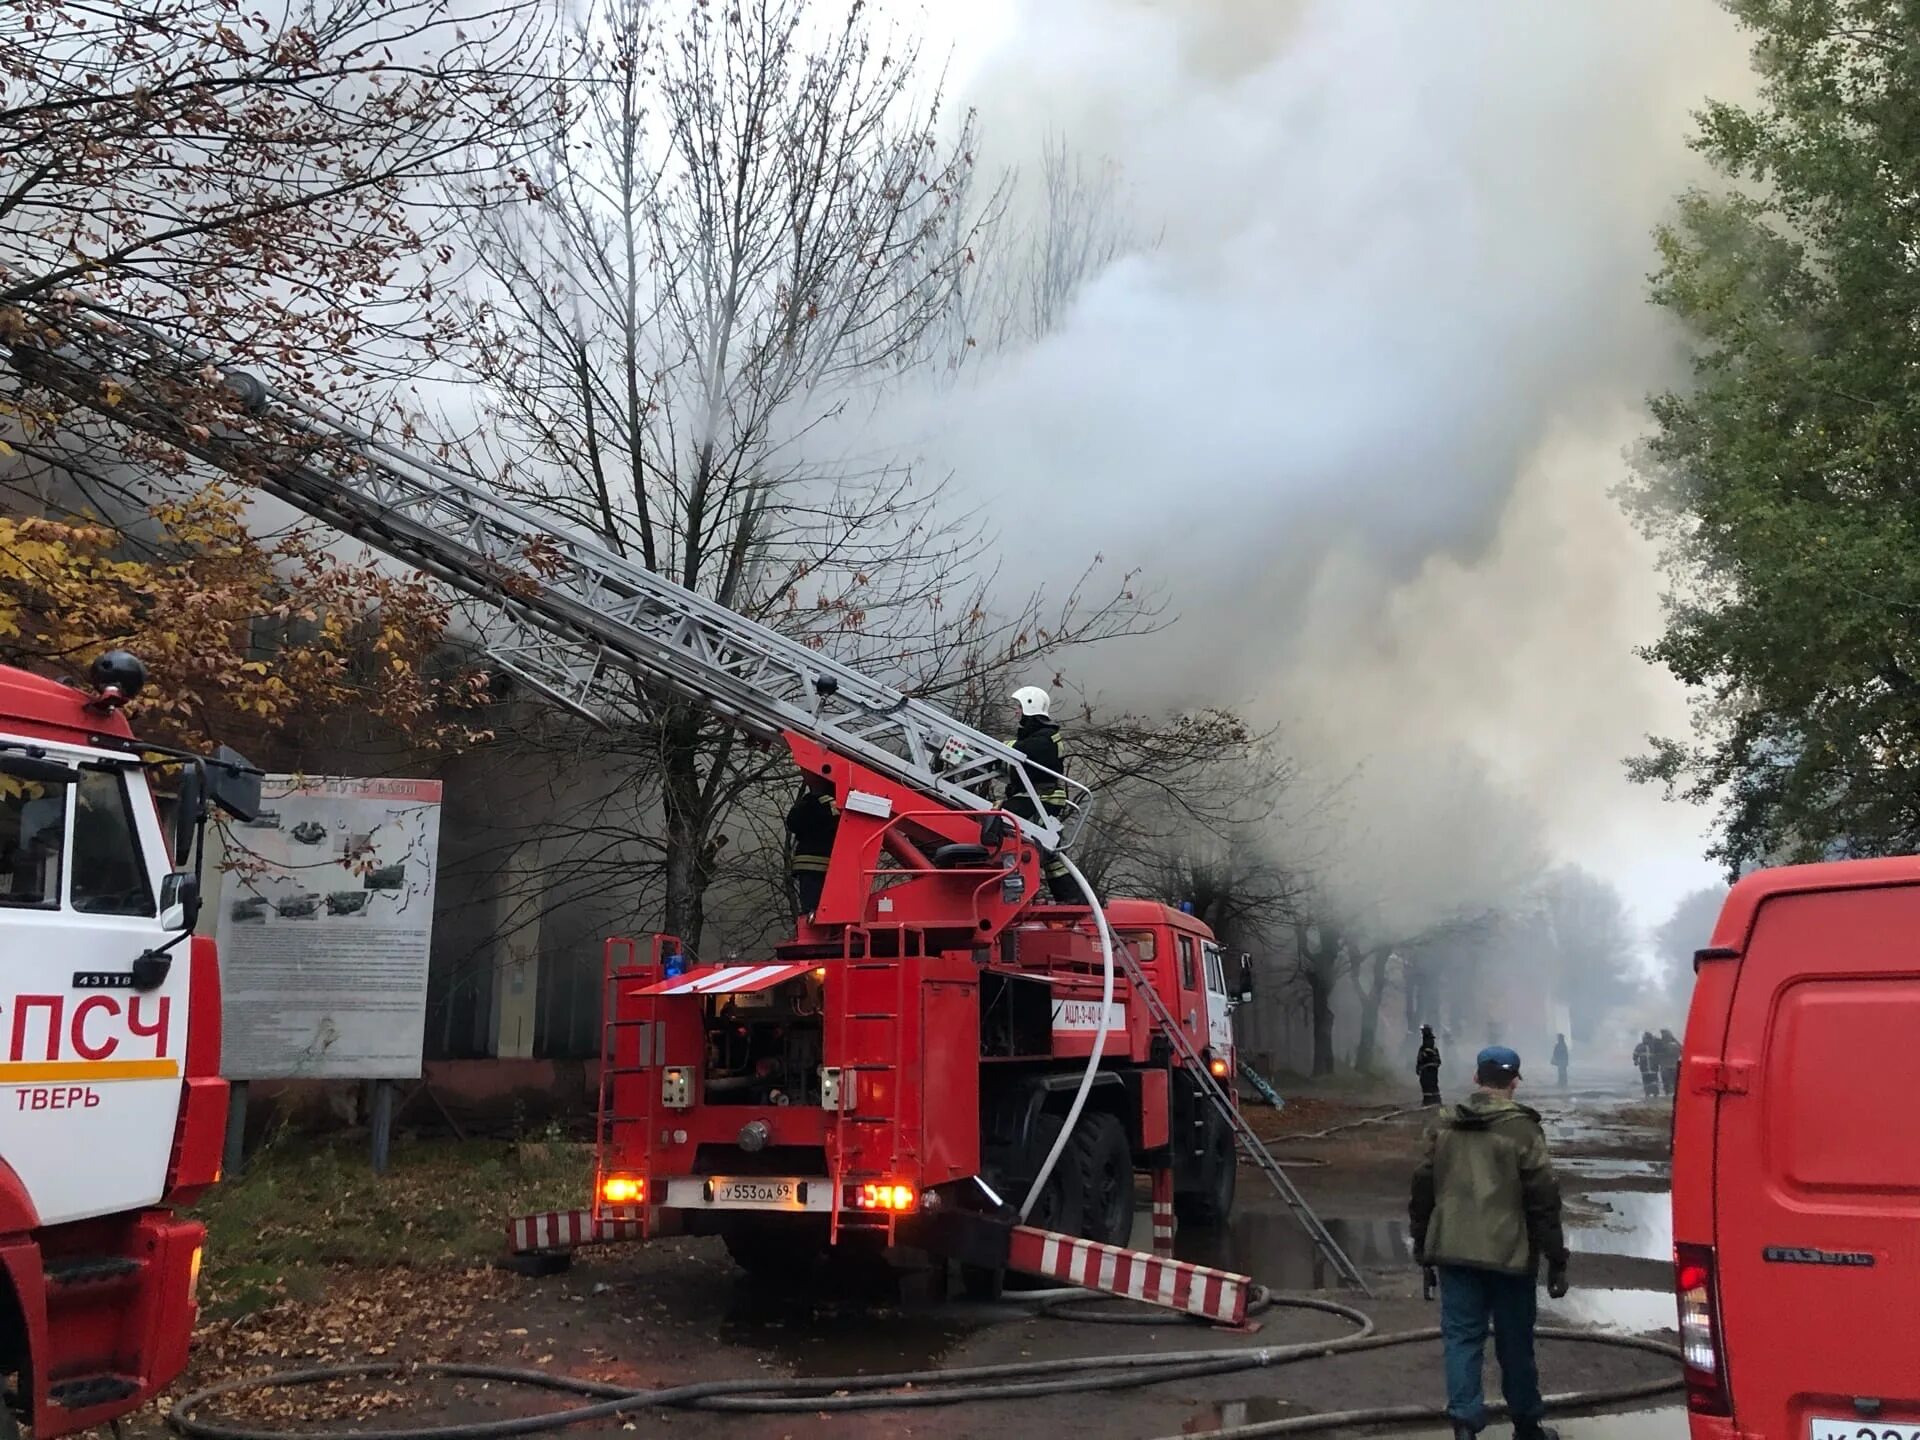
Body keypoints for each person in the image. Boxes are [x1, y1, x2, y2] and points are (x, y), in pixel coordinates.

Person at [1410, 1045, 1569, 1440]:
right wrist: (1556, 1258)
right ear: (1514, 1081)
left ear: (1476, 1079)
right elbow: (1543, 1199)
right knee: (1515, 1344)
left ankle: (1464, 1426)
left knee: (1461, 1339)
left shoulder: (1443, 1124)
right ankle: (1527, 1426)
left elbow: (1422, 1190)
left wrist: (1422, 1248)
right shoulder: (1523, 1129)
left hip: (1452, 1250)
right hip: (1509, 1256)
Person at [1005, 685, 1077, 902]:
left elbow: (1019, 753)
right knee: (1050, 852)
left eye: (1018, 707)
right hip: (1039, 797)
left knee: (997, 821)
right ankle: (1071, 897)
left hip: (1040, 798)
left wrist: (996, 749)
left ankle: (1015, 893)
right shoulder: (1041, 734)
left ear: (1029, 707)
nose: (1015, 711)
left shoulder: (1043, 738)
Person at [784, 776, 838, 917]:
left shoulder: (806, 802)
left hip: (806, 862)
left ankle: (811, 914)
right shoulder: (834, 804)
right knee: (826, 905)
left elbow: (792, 823)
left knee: (811, 907)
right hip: (826, 861)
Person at [1416, 1024, 1443, 1106]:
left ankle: (1428, 1102)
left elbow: (1421, 1058)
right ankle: (1436, 1101)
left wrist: (1419, 1067)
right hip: (1432, 1069)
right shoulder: (1433, 1047)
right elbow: (1438, 1061)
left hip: (1427, 1070)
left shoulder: (1425, 1046)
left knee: (1427, 1085)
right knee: (1433, 1084)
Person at [1632, 1032, 1659, 1098]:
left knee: (1654, 1081)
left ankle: (1655, 1094)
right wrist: (1635, 1060)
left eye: (1645, 1038)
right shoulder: (1639, 1046)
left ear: (1649, 1038)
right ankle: (1647, 1094)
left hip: (1653, 1067)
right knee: (1646, 1081)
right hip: (1644, 1068)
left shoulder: (1654, 1045)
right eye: (1643, 1038)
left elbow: (1660, 1054)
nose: (1643, 1039)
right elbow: (1635, 1054)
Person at [1657, 1028, 1682, 1097]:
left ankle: (1668, 1093)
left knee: (1667, 1080)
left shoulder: (1661, 1044)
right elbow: (1682, 1051)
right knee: (1673, 1080)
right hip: (1673, 1065)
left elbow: (1658, 1053)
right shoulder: (1676, 1043)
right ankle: (1673, 1093)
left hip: (1666, 1065)